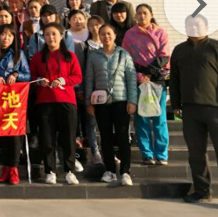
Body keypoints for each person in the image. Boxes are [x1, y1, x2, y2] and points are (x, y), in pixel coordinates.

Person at [170, 14, 218, 209]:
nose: (194, 27)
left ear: (206, 26)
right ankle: (202, 191)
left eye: (197, 24)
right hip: (190, 110)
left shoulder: (217, 47)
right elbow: (174, 79)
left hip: (217, 109)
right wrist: (176, 104)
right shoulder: (179, 50)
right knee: (196, 154)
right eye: (189, 24)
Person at [84, 24, 138, 186]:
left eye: (108, 33)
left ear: (114, 35)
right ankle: (109, 170)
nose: (105, 37)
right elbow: (89, 79)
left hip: (121, 101)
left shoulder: (124, 54)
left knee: (122, 136)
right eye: (102, 34)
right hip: (101, 103)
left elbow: (131, 79)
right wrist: (88, 101)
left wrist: (132, 101)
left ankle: (125, 171)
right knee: (105, 136)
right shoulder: (94, 56)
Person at [29, 23, 83, 185]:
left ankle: (69, 171)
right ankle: (50, 171)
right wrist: (40, 81)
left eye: (54, 34)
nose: (51, 37)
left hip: (67, 101)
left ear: (61, 36)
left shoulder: (70, 56)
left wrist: (63, 80)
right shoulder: (38, 57)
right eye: (47, 34)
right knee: (47, 139)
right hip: (45, 101)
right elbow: (32, 77)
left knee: (68, 138)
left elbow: (78, 76)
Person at [122, 4, 170, 165]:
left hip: (157, 80)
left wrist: (149, 74)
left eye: (145, 13)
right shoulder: (130, 35)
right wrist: (140, 75)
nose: (142, 16)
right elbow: (127, 58)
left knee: (159, 118)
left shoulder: (160, 32)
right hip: (138, 80)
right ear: (135, 16)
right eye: (139, 13)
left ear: (151, 14)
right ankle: (147, 154)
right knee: (141, 118)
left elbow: (164, 56)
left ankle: (161, 154)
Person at [0, 25, 30, 184]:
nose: (6, 38)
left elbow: (28, 75)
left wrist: (16, 74)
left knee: (14, 133)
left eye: (10, 35)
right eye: (3, 34)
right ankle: (5, 168)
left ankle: (13, 169)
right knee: (1, 134)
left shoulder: (19, 54)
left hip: (14, 101)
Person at [74, 15, 104, 165]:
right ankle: (95, 151)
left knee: (105, 123)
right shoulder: (83, 46)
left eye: (97, 24)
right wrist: (80, 88)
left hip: (107, 90)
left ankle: (107, 151)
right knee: (91, 123)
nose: (94, 27)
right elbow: (79, 68)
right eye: (91, 25)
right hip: (90, 89)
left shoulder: (109, 45)